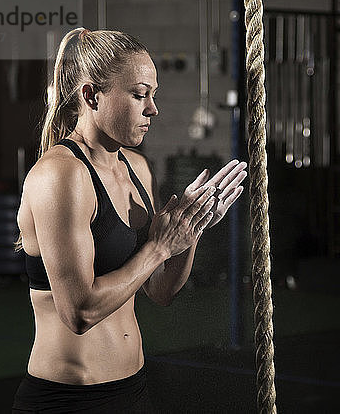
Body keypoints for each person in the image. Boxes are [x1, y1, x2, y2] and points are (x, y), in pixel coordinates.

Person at [12, 27, 247, 413]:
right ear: (91, 95)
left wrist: (189, 231)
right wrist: (158, 248)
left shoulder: (137, 167)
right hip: (69, 400)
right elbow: (79, 311)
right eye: (140, 95)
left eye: (153, 95)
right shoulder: (61, 175)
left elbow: (160, 291)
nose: (153, 109)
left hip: (133, 390)